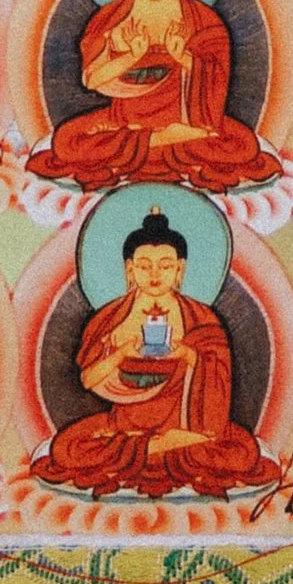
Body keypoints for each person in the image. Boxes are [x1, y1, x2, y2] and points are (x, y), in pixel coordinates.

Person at [29, 0, 278, 196]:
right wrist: (129, 58)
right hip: (125, 121)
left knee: (243, 146)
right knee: (66, 142)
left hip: (186, 121)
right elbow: (92, 80)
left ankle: (151, 143)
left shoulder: (203, 19)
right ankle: (161, 140)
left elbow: (216, 80)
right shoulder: (111, 17)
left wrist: (183, 57)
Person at [34, 212, 273, 499]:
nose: (155, 274)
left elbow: (217, 374)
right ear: (130, 269)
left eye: (166, 265)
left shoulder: (201, 318)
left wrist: (187, 353)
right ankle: (161, 447)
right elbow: (88, 379)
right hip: (124, 426)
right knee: (67, 449)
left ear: (180, 269)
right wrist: (121, 353)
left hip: (185, 425)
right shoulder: (110, 319)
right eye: (145, 266)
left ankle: (152, 448)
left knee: (242, 454)